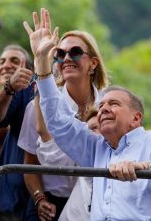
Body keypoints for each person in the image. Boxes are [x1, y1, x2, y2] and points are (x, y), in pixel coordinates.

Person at [28, 8, 151, 220]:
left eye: (114, 104)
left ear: (136, 118)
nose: (104, 108)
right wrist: (42, 64)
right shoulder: (95, 149)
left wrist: (148, 167)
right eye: (102, 105)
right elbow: (58, 123)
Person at [19, 19, 109, 220]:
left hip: (99, 202)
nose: (67, 58)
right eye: (60, 54)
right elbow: (29, 164)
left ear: (93, 63)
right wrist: (39, 199)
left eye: (75, 52)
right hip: (51, 203)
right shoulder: (37, 107)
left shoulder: (109, 105)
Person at [0, 45, 36, 221]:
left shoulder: (29, 88)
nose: (6, 65)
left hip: (22, 197)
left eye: (15, 61)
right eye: (2, 61)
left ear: (30, 71)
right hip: (9, 197)